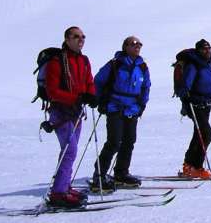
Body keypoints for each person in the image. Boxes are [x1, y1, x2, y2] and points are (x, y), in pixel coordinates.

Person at [44, 26, 97, 208]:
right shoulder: (57, 61)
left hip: (76, 112)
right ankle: (58, 193)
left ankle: (64, 186)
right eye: (76, 37)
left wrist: (90, 95)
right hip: (61, 112)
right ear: (67, 39)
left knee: (69, 151)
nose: (80, 39)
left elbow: (89, 81)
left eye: (83, 36)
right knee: (70, 150)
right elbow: (52, 91)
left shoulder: (83, 60)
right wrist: (77, 97)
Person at [90, 36, 151, 191]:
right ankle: (100, 175)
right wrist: (98, 101)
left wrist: (142, 104)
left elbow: (146, 86)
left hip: (132, 109)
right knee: (114, 142)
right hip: (115, 107)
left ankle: (121, 173)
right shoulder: (115, 64)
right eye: (133, 44)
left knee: (129, 141)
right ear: (125, 47)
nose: (137, 47)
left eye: (139, 44)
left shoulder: (142, 67)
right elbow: (98, 81)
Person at [176, 39, 211, 179]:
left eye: (209, 48)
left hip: (206, 103)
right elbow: (186, 84)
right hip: (195, 104)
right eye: (203, 49)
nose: (207, 51)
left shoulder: (208, 64)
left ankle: (189, 165)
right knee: (206, 134)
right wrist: (186, 98)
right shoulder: (194, 64)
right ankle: (196, 167)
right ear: (198, 51)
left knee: (198, 134)